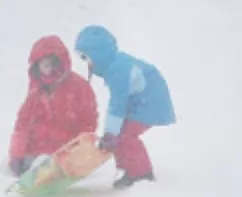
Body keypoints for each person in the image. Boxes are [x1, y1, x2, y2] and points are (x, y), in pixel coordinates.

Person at [73, 25, 176, 188]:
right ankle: (128, 168)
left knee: (125, 135)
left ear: (98, 54)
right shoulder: (115, 64)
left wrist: (110, 134)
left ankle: (142, 173)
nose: (87, 63)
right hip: (140, 100)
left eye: (87, 57)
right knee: (118, 134)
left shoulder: (118, 70)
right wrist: (111, 134)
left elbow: (117, 104)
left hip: (150, 103)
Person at [7, 35, 99, 176]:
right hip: (39, 150)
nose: (48, 70)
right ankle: (32, 168)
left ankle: (56, 167)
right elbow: (23, 124)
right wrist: (16, 153)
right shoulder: (36, 91)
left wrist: (82, 147)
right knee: (31, 160)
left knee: (61, 161)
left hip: (68, 150)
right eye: (44, 66)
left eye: (51, 64)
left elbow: (89, 120)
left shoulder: (78, 87)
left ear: (60, 63)